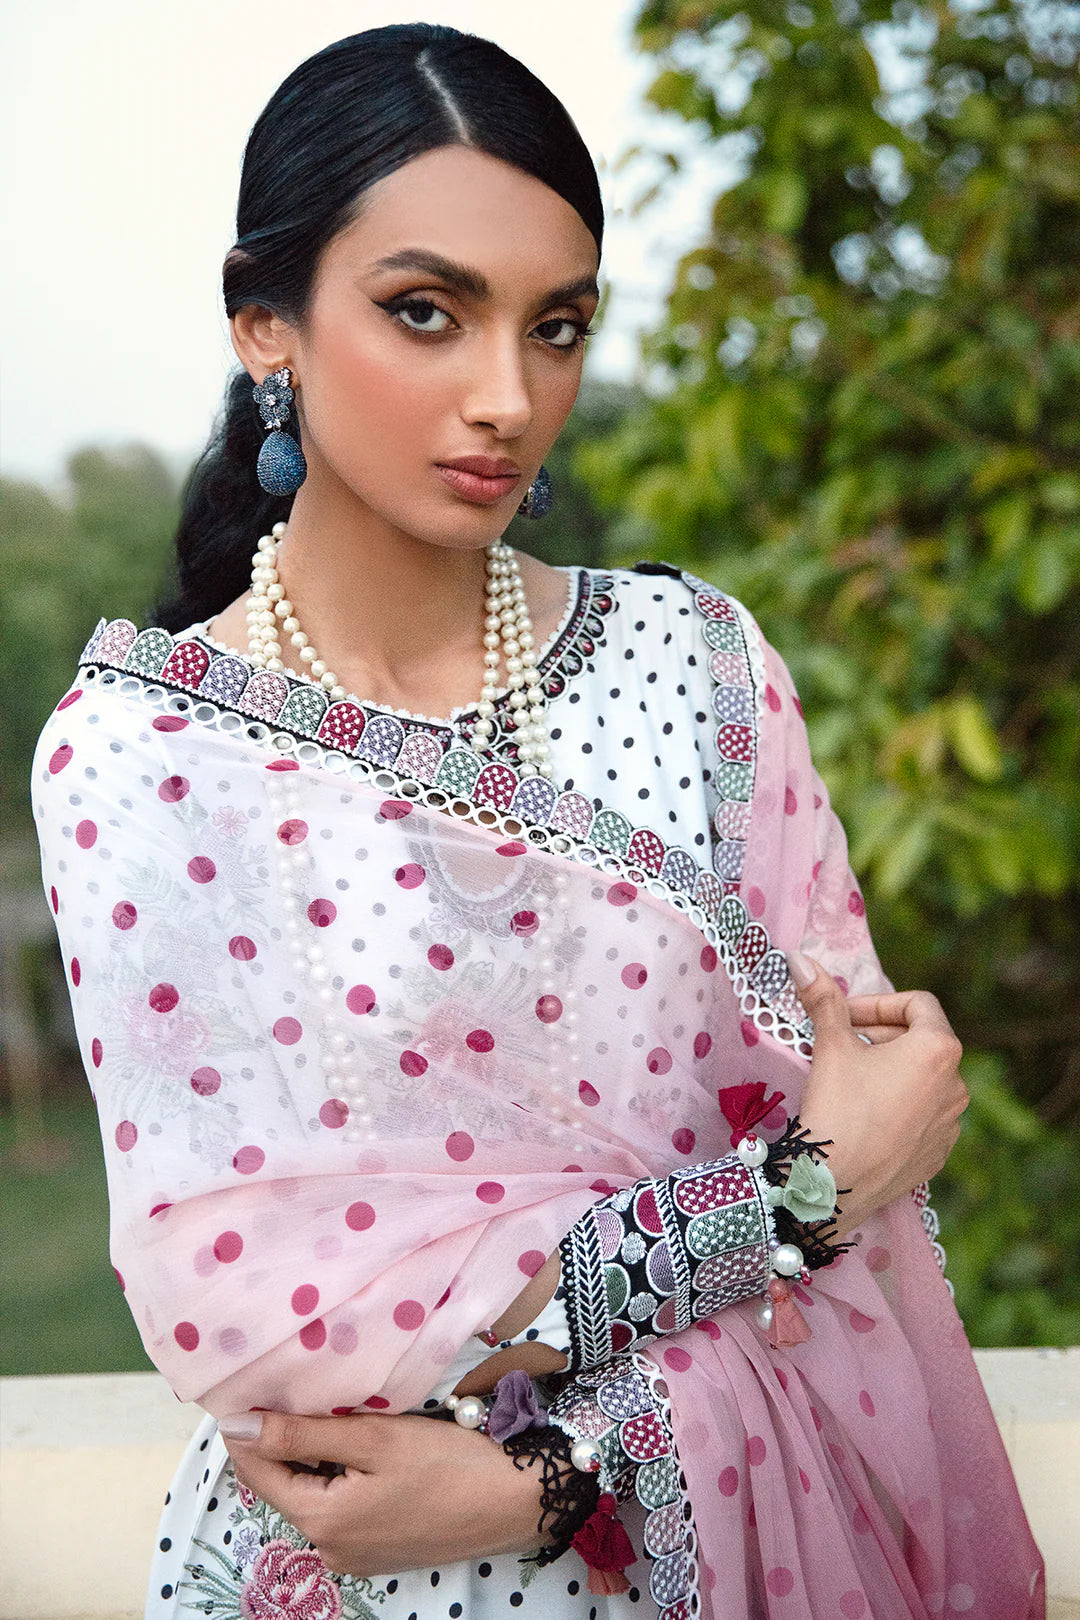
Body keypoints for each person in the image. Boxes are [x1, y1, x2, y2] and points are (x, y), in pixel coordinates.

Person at [31, 22, 1044, 1620]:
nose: (508, 396)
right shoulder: (148, 761)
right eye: (425, 312)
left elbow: (872, 1143)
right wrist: (785, 1198)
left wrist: (550, 1471)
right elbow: (272, 1329)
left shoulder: (699, 669)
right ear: (264, 321)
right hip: (359, 1580)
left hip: (722, 1558)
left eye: (556, 325)